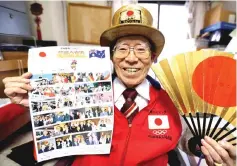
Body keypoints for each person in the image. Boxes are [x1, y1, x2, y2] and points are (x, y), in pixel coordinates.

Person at [2, 4, 236, 166]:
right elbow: (55, 135)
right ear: (110, 57)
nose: (131, 58)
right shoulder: (79, 91)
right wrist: (36, 105)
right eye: (122, 48)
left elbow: (185, 136)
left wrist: (202, 146)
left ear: (153, 57)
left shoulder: (172, 96)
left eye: (141, 49)